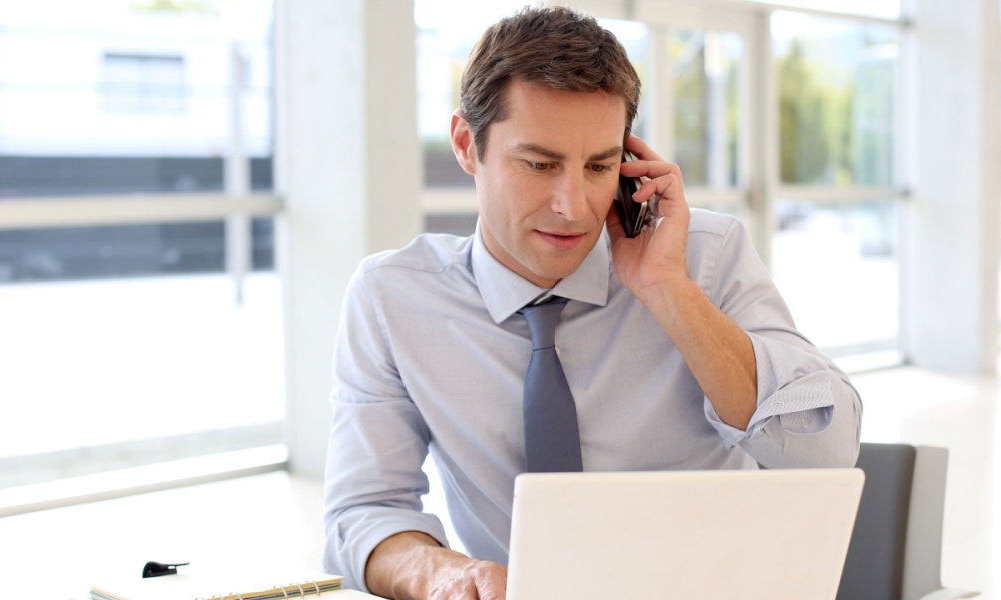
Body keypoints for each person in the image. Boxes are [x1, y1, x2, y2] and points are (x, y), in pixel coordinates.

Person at [323, 6, 862, 599]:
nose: (572, 205)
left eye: (600, 165)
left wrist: (669, 291)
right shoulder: (392, 299)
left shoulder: (706, 258)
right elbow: (363, 511)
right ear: (465, 145)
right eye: (539, 163)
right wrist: (446, 573)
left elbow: (826, 451)